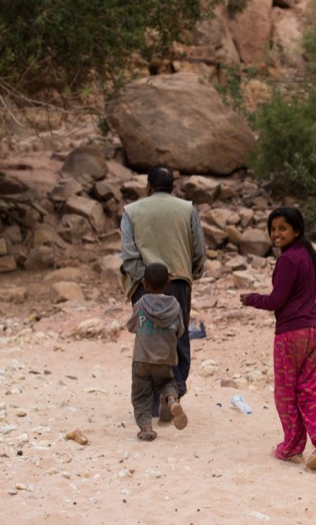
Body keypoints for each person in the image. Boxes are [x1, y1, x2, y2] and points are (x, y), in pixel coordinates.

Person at [240, 206, 316, 470]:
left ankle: (292, 447)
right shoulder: (307, 256)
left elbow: (276, 300)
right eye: (272, 229)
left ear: (297, 230)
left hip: (290, 336)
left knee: (285, 394)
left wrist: (250, 299)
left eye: (282, 228)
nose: (276, 234)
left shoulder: (287, 260)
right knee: (308, 391)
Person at [120, 166, 206, 420]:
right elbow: (198, 248)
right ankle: (172, 395)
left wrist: (142, 280)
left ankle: (151, 398)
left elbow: (128, 252)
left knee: (147, 341)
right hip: (179, 280)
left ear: (148, 186)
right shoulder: (187, 208)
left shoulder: (132, 211)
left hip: (144, 283)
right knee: (177, 339)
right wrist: (191, 274)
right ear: (172, 188)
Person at [126, 262, 188, 441]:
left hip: (142, 359)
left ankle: (146, 428)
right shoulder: (175, 305)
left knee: (141, 394)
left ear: (144, 284)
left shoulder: (140, 304)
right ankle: (171, 400)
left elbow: (131, 327)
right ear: (168, 281)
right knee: (168, 382)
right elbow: (180, 331)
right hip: (165, 358)